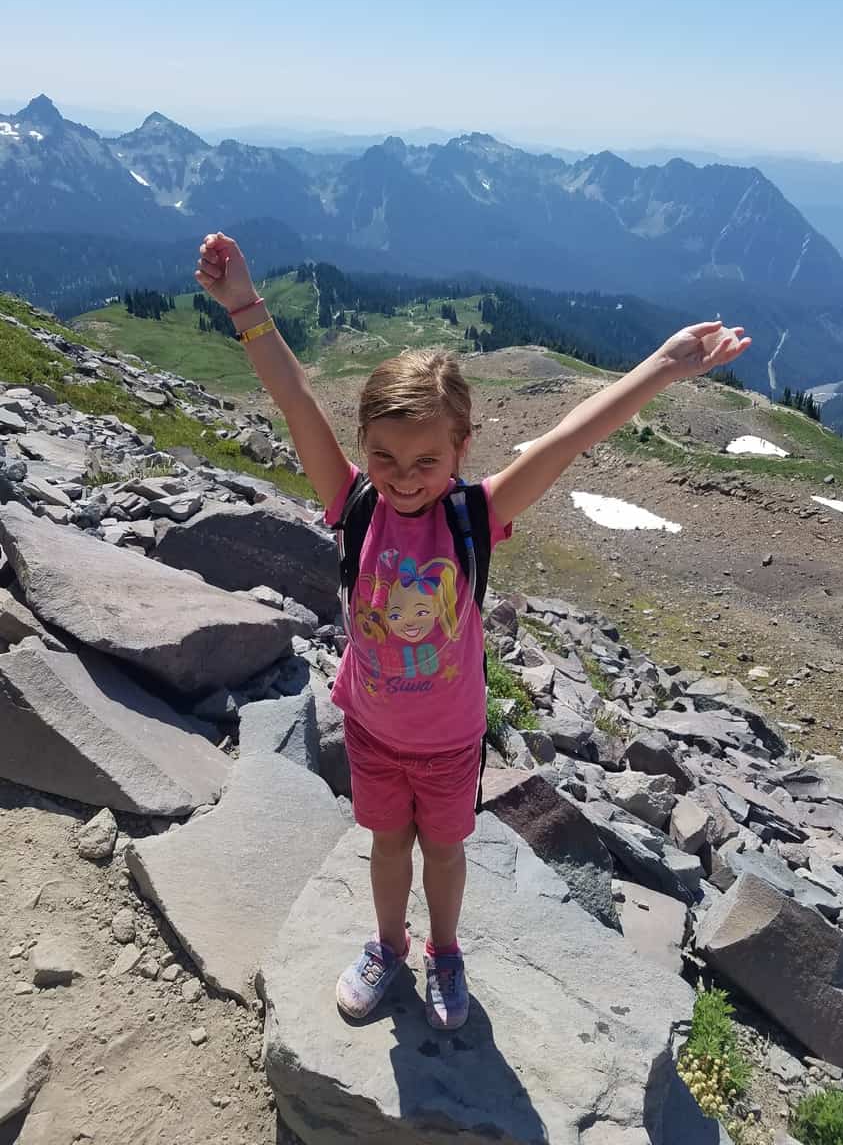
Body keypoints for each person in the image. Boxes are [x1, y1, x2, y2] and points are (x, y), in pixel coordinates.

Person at [194, 231, 751, 1031]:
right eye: (384, 455)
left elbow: (568, 438)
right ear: (363, 451)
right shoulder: (352, 501)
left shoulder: (474, 517)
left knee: (446, 852)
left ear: (461, 449)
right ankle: (389, 945)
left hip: (451, 738)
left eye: (427, 459)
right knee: (388, 846)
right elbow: (295, 400)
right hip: (372, 727)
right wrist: (245, 304)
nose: (404, 476)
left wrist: (664, 365)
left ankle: (444, 953)